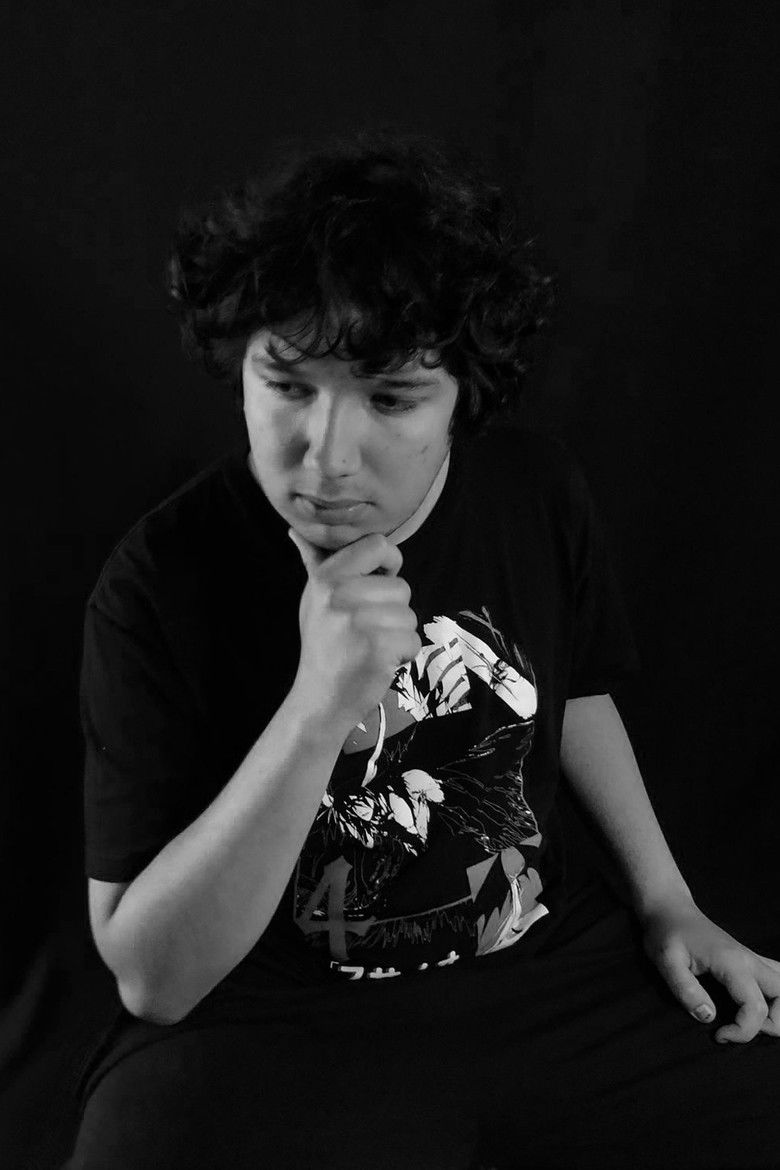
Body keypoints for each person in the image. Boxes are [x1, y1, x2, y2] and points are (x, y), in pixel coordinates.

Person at [66, 127, 780, 1170]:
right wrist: (320, 705)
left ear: (462, 398)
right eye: (289, 385)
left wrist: (670, 901)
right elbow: (153, 979)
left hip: (543, 970)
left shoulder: (534, 493)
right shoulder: (155, 584)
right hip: (277, 1019)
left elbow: (573, 690)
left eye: (392, 398)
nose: (326, 456)